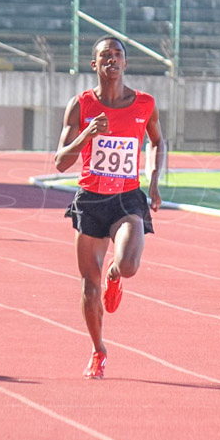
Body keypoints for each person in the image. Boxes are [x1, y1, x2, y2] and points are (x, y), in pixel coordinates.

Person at [54, 36, 164, 379]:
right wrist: (86, 134)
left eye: (117, 55)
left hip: (127, 197)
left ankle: (115, 277)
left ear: (125, 63)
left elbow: (158, 141)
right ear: (95, 64)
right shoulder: (81, 104)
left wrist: (155, 181)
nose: (111, 60)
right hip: (90, 199)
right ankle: (98, 350)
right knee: (89, 285)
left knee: (128, 264)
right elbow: (60, 162)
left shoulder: (144, 103)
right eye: (105, 55)